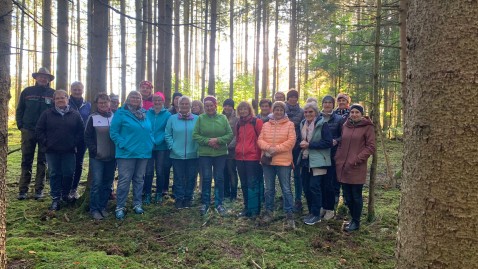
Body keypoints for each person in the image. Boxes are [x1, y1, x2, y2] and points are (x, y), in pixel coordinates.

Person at [35, 90, 84, 210]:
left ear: (67, 99)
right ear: (54, 100)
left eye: (63, 98)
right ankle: (55, 199)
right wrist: (47, 143)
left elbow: (81, 131)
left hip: (69, 150)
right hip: (52, 151)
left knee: (68, 173)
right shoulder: (47, 114)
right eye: (57, 98)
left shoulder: (75, 114)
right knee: (54, 174)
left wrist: (73, 143)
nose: (60, 100)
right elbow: (39, 130)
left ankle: (65, 195)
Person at [110, 91, 153, 220]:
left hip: (143, 152)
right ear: (128, 99)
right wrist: (123, 144)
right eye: (133, 97)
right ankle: (120, 206)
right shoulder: (121, 113)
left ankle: (137, 204)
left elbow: (149, 130)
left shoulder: (145, 113)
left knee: (139, 179)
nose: (135, 99)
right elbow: (113, 132)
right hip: (126, 153)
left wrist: (151, 143)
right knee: (124, 180)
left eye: (138, 97)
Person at [15, 67, 55, 200]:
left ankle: (39, 190)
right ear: (36, 78)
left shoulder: (52, 94)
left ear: (49, 79)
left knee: (42, 161)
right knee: (26, 160)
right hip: (28, 130)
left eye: (46, 77)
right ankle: (23, 190)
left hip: (46, 132)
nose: (43, 78)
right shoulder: (27, 91)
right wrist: (21, 126)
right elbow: (20, 109)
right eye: (40, 76)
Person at [335, 104, 376, 232]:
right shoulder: (345, 125)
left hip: (357, 167)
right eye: (352, 112)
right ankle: (352, 219)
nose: (354, 114)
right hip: (343, 166)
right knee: (347, 195)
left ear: (361, 114)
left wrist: (357, 159)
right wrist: (338, 157)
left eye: (357, 112)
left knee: (356, 196)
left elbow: (371, 147)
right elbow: (341, 143)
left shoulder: (367, 127)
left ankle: (356, 222)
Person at [257, 101, 296, 229]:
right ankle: (269, 212)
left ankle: (289, 214)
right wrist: (268, 147)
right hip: (268, 161)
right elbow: (260, 140)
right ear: (272, 111)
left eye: (280, 110)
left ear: (284, 111)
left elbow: (291, 141)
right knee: (269, 188)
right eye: (276, 109)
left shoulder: (290, 125)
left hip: (283, 161)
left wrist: (276, 149)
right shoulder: (266, 124)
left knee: (286, 188)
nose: (278, 112)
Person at [193, 96, 233, 216]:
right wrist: (208, 141)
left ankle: (218, 203)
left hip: (220, 154)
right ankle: (205, 203)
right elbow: (195, 135)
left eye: (211, 105)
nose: (209, 108)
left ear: (216, 105)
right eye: (207, 106)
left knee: (219, 178)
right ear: (204, 107)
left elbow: (229, 134)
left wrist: (218, 140)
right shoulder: (201, 118)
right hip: (205, 154)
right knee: (206, 177)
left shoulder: (223, 118)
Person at [297, 102, 333, 225]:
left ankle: (316, 214)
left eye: (310, 112)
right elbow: (301, 140)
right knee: (306, 187)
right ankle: (312, 212)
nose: (308, 114)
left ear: (316, 113)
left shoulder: (323, 124)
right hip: (305, 160)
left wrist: (310, 145)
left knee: (315, 187)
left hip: (319, 161)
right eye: (306, 112)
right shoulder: (302, 124)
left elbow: (328, 142)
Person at [84, 93, 116, 220]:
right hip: (97, 157)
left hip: (112, 157)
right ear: (97, 104)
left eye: (105, 102)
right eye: (101, 103)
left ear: (109, 103)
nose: (103, 105)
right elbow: (87, 136)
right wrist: (94, 150)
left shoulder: (115, 117)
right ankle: (94, 209)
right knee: (96, 183)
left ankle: (103, 207)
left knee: (107, 183)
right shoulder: (93, 117)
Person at [165, 96, 199, 209]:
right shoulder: (172, 118)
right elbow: (167, 134)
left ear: (190, 106)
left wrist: (197, 148)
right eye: (182, 104)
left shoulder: (197, 119)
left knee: (191, 177)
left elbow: (200, 134)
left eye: (186, 104)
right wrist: (172, 146)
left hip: (193, 154)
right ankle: (179, 198)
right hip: (176, 154)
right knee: (178, 177)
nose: (184, 106)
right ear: (178, 105)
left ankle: (188, 198)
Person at [235, 101, 263, 218]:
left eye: (245, 109)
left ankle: (254, 209)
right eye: (240, 109)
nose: (242, 111)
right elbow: (237, 139)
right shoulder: (238, 124)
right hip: (240, 158)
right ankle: (246, 207)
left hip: (253, 158)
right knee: (244, 184)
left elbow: (262, 138)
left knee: (253, 184)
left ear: (249, 110)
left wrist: (261, 156)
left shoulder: (256, 122)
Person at [143, 92, 171, 204]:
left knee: (160, 170)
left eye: (160, 100)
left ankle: (159, 193)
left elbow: (167, 130)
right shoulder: (147, 113)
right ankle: (147, 194)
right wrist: (150, 141)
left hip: (161, 147)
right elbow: (145, 128)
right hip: (149, 146)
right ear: (152, 101)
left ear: (163, 101)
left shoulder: (167, 115)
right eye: (155, 100)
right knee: (148, 171)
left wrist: (158, 141)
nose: (157, 102)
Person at [321, 95, 344, 219]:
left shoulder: (339, 119)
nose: (327, 104)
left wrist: (336, 140)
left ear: (333, 104)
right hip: (319, 155)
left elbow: (343, 135)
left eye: (330, 102)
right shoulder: (318, 117)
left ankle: (330, 209)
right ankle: (321, 207)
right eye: (325, 102)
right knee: (320, 183)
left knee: (330, 183)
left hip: (333, 155)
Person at [68, 81, 92, 200]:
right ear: (71, 90)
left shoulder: (88, 105)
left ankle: (74, 189)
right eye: (75, 89)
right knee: (67, 164)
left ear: (83, 90)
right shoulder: (66, 103)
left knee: (78, 163)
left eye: (79, 90)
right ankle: (65, 189)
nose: (77, 92)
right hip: (67, 138)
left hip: (82, 139)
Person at [285, 89, 305, 212]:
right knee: (285, 174)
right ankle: (288, 199)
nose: (293, 99)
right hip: (285, 147)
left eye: (295, 97)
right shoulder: (282, 110)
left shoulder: (302, 111)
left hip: (297, 147)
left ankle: (298, 199)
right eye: (290, 97)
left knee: (297, 174)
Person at [222, 98, 239, 202]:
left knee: (232, 171)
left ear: (233, 107)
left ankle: (233, 194)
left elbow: (238, 135)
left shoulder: (237, 118)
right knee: (223, 172)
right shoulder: (220, 117)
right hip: (220, 150)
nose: (227, 107)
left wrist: (230, 146)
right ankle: (225, 193)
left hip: (232, 151)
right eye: (226, 105)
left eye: (229, 105)